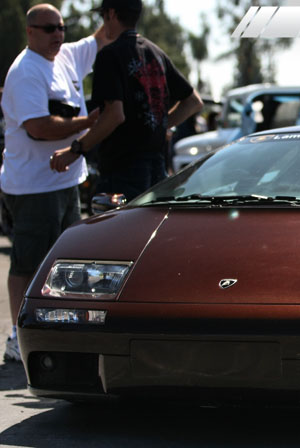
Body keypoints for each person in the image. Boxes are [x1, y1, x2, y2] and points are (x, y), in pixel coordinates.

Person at [1, 4, 110, 362]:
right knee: (28, 263)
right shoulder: (25, 72)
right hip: (33, 187)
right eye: (49, 29)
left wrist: (115, 10)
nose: (58, 35)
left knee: (63, 264)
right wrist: (88, 123)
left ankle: (55, 328)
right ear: (30, 31)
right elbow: (40, 127)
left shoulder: (66, 56)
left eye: (62, 27)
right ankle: (18, 335)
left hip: (65, 183)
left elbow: (103, 36)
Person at [51, 0, 203, 200]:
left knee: (119, 232)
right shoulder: (156, 53)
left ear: (111, 14)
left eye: (102, 16)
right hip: (158, 171)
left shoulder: (110, 55)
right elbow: (193, 102)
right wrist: (159, 124)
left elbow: (114, 114)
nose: (103, 23)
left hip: (122, 173)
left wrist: (75, 149)